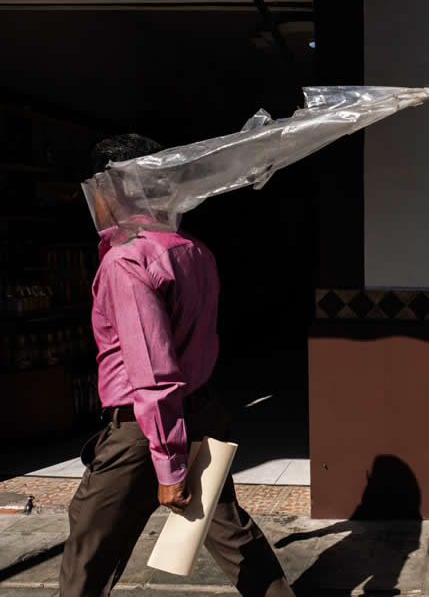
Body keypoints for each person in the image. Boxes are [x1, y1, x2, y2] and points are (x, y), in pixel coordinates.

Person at [59, 134, 294, 597]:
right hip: (200, 411)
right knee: (230, 535)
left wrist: (168, 467)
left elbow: (153, 370)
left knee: (89, 552)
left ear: (112, 189)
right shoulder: (191, 249)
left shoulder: (127, 259)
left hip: (144, 430)